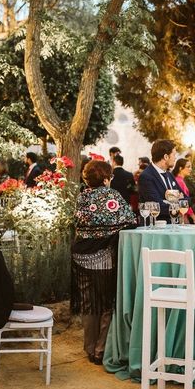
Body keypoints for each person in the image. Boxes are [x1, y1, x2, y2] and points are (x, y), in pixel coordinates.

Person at [71, 160, 135, 365]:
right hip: (102, 258)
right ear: (106, 179)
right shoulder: (112, 196)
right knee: (107, 303)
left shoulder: (82, 196)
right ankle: (100, 350)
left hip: (80, 257)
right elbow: (130, 220)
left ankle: (89, 348)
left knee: (89, 304)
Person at [137, 139, 181, 222]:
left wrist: (168, 202)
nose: (175, 158)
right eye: (174, 155)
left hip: (173, 225)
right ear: (166, 157)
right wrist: (178, 202)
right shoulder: (146, 176)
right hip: (155, 227)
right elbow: (157, 206)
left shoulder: (169, 174)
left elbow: (186, 199)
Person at [172, 158, 195, 224]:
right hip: (182, 215)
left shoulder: (178, 180)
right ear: (180, 168)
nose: (190, 169)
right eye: (188, 167)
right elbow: (183, 202)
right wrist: (193, 216)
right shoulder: (179, 181)